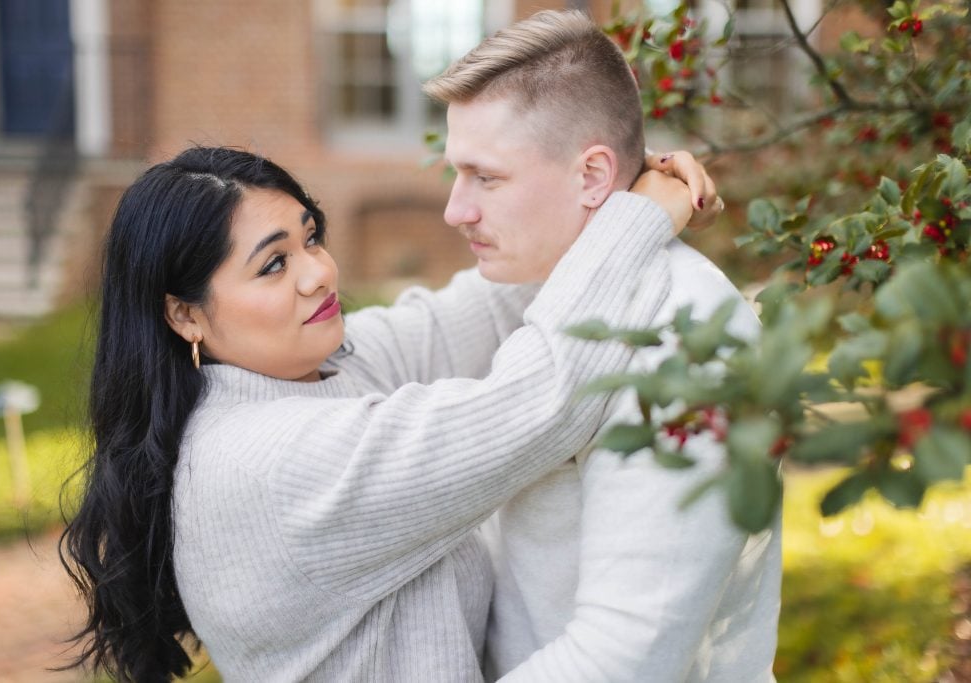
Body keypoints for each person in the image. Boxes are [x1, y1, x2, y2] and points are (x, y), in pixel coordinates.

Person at [60, 140, 706, 682]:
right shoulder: (266, 466)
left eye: (310, 238)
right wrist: (635, 225)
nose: (317, 273)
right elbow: (536, 404)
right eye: (274, 264)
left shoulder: (316, 366)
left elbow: (479, 311)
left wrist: (592, 195)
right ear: (185, 313)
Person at [423, 9, 781, 682]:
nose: (455, 209)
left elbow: (628, 656)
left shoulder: (692, 341)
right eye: (456, 173)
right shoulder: (544, 282)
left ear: (591, 176)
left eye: (485, 177)